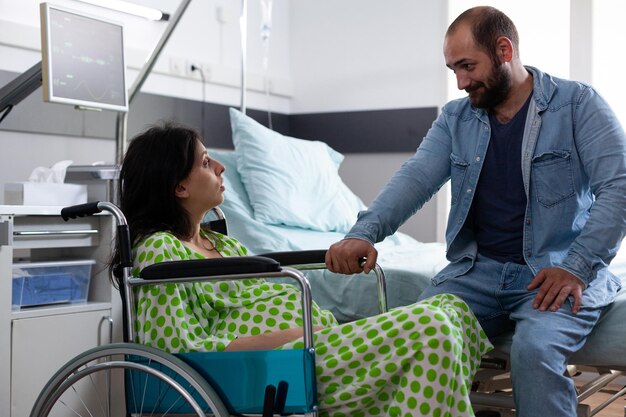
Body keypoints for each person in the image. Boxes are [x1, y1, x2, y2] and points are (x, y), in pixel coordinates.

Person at [325, 6, 626, 417]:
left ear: (504, 50)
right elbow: (414, 179)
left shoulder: (577, 105)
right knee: (417, 335)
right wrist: (364, 232)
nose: (461, 81)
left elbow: (619, 187)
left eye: (467, 66)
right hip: (476, 275)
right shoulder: (456, 119)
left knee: (534, 353)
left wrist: (576, 267)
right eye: (453, 70)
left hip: (551, 274)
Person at [113, 122, 492, 417]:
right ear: (179, 186)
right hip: (268, 371)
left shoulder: (224, 244)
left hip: (310, 350)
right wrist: (301, 334)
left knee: (453, 310)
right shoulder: (160, 250)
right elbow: (178, 351)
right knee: (430, 327)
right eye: (206, 161)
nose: (220, 166)